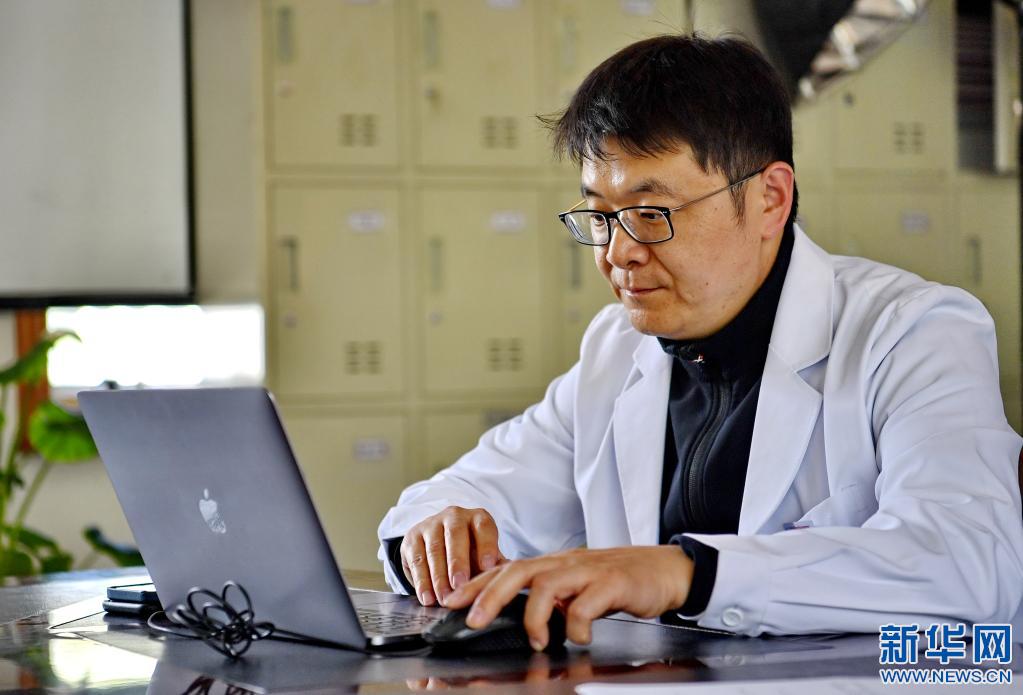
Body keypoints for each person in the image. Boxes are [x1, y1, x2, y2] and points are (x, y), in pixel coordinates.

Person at [377, 34, 1023, 649]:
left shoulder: (911, 332)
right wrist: (436, 533)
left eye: (650, 213)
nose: (617, 253)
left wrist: (684, 573)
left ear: (770, 199)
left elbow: (967, 565)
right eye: (599, 216)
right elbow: (459, 495)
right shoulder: (617, 350)